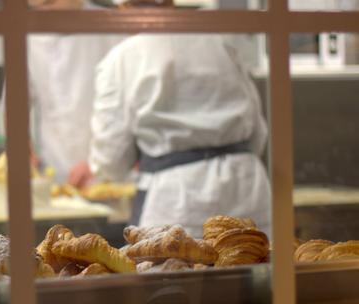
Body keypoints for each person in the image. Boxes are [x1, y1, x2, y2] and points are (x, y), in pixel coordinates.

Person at [69, 0, 271, 238]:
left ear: (122, 10)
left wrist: (101, 167)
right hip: (248, 184)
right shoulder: (219, 42)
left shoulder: (122, 58)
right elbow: (258, 132)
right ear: (171, 4)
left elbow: (111, 159)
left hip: (176, 197)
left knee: (173, 272)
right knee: (256, 268)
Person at [20, 0, 127, 183]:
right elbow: (15, 105)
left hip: (113, 176)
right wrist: (23, 150)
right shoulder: (28, 34)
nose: (42, 7)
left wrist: (98, 162)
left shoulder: (113, 26)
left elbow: (131, 106)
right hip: (57, 175)